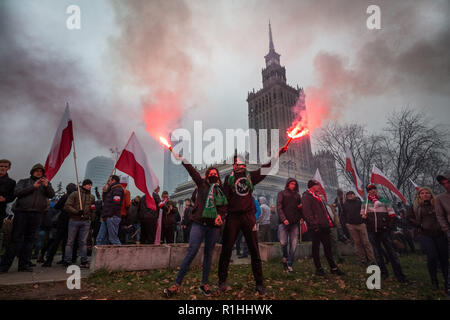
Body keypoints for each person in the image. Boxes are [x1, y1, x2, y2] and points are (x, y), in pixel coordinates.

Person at [218, 147, 287, 296]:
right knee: (227, 249)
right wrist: (221, 215)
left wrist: (278, 153)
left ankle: (260, 283)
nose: (239, 165)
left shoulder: (251, 177)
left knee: (254, 250)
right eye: (236, 163)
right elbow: (224, 199)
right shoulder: (228, 179)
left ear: (244, 165)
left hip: (248, 217)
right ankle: (222, 281)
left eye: (241, 163)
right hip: (233, 218)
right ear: (233, 165)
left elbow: (266, 168)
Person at [164, 153, 227, 297]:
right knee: (192, 251)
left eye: (215, 173)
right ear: (206, 175)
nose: (212, 174)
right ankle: (176, 284)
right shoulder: (201, 184)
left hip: (213, 227)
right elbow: (192, 170)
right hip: (199, 223)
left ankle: (204, 284)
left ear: (218, 176)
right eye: (210, 173)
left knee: (208, 255)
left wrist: (220, 216)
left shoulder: (220, 191)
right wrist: (183, 160)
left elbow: (224, 207)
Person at [0, 163, 55, 272]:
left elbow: (51, 195)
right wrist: (33, 187)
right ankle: (4, 266)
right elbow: (17, 193)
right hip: (22, 213)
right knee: (15, 239)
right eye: (37, 171)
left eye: (41, 171)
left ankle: (24, 265)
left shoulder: (46, 184)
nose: (39, 172)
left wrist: (46, 185)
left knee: (30, 240)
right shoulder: (23, 181)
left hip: (37, 214)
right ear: (32, 171)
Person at [362, 184, 408, 283]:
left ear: (376, 190)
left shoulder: (384, 200)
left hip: (384, 231)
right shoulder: (365, 203)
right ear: (368, 191)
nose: (372, 190)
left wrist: (388, 228)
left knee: (391, 253)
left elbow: (392, 215)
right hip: (372, 232)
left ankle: (399, 275)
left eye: (373, 188)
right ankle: (384, 273)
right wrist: (364, 218)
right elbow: (362, 217)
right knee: (377, 254)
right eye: (370, 189)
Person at [407, 186, 448, 290]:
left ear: (431, 194)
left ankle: (447, 282)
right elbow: (409, 218)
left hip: (440, 234)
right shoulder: (416, 206)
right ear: (419, 195)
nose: (424, 195)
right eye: (422, 193)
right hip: (425, 234)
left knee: (443, 258)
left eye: (427, 193)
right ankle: (434, 281)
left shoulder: (437, 203)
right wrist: (419, 225)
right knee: (432, 256)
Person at [302, 180, 344, 277]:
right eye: (317, 185)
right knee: (315, 248)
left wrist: (329, 223)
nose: (319, 187)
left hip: (324, 226)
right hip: (315, 227)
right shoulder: (306, 197)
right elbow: (307, 213)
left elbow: (324, 212)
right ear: (312, 186)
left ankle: (333, 268)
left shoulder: (318, 197)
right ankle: (319, 268)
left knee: (328, 247)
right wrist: (314, 225)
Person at [43, 183, 77, 267]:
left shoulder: (65, 196)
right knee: (67, 242)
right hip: (72, 221)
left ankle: (49, 260)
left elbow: (57, 206)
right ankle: (64, 259)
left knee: (56, 241)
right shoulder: (76, 197)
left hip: (62, 220)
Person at [63, 179, 95, 268]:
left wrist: (91, 217)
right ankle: (67, 261)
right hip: (74, 220)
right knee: (70, 241)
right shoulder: (75, 194)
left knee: (83, 242)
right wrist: (76, 212)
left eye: (90, 185)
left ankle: (84, 261)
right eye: (88, 184)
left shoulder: (92, 197)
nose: (90, 186)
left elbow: (93, 209)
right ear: (84, 185)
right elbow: (67, 206)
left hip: (85, 221)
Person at [341, 191, 375, 266]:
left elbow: (366, 212)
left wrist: (364, 221)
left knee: (366, 242)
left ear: (354, 195)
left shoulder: (359, 202)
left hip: (361, 224)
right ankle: (363, 259)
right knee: (358, 243)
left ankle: (371, 259)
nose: (350, 196)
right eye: (348, 195)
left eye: (351, 194)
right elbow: (343, 215)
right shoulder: (345, 204)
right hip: (351, 226)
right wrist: (346, 223)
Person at [276, 178, 302, 272]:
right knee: (283, 242)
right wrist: (284, 219)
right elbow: (279, 207)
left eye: (295, 184)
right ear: (287, 184)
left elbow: (300, 209)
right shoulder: (282, 193)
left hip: (294, 223)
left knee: (294, 244)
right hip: (283, 223)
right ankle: (285, 256)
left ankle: (289, 264)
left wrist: (300, 216)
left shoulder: (298, 196)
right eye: (291, 184)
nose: (293, 185)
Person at [96, 175, 123, 245]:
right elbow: (105, 202)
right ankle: (102, 255)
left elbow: (116, 204)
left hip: (112, 217)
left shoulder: (118, 189)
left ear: (113, 181)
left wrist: (110, 215)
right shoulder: (111, 190)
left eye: (109, 180)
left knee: (113, 239)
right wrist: (105, 192)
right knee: (100, 239)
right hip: (106, 217)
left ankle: (122, 255)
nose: (108, 182)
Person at [435, 173, 450, 297]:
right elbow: (440, 215)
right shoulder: (440, 198)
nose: (446, 185)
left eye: (448, 182)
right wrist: (446, 230)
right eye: (443, 184)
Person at [0, 159, 16, 231]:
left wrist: (5, 199)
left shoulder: (11, 182)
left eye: (5, 166)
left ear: (9, 168)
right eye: (1, 166)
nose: (3, 168)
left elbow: (12, 196)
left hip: (0, 210)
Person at [118, 176, 131, 244]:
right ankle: (121, 245)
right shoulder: (126, 192)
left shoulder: (115, 190)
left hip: (114, 213)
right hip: (122, 214)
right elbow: (128, 204)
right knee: (122, 232)